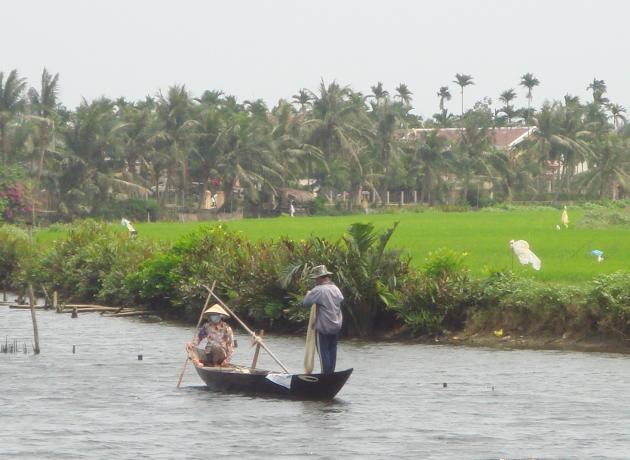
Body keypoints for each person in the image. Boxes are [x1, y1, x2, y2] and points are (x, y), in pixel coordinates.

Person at [302, 265, 344, 374]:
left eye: (316, 278)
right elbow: (340, 299)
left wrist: (308, 294)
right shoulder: (336, 289)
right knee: (332, 350)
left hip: (324, 328)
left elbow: (305, 303)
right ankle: (331, 373)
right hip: (336, 326)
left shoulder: (318, 290)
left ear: (321, 278)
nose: (316, 281)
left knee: (323, 352)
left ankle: (326, 375)